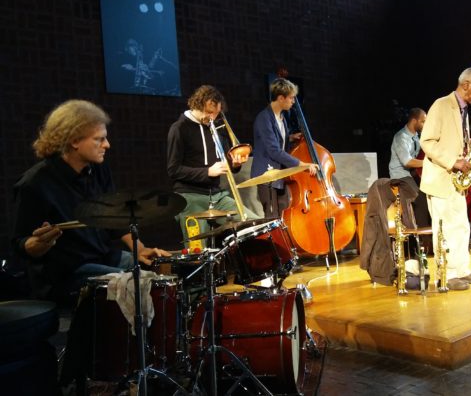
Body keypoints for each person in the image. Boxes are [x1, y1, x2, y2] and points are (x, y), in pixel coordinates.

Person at [10, 100, 170, 303]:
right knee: (136, 284)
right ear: (75, 141)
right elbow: (20, 244)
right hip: (66, 273)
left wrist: (140, 248)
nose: (107, 145)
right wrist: (40, 244)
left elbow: (116, 216)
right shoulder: (34, 184)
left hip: (103, 257)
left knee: (161, 268)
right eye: (99, 139)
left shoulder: (99, 170)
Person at [419, 67, 471, 291]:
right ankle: (446, 275)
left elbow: (453, 142)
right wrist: (453, 162)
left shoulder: (462, 109)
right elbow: (427, 142)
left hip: (456, 181)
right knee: (445, 230)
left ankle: (462, 270)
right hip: (440, 179)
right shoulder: (441, 105)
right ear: (466, 85)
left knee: (461, 226)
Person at [167, 85, 259, 242]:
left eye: (216, 114)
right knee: (198, 247)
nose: (212, 118)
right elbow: (173, 170)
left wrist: (235, 164)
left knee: (254, 224)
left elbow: (226, 164)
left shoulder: (215, 128)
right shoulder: (179, 128)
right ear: (197, 104)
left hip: (218, 196)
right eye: (209, 113)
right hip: (190, 197)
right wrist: (207, 172)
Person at [250, 77, 318, 218]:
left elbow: (278, 140)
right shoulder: (264, 118)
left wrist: (290, 138)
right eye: (291, 98)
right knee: (272, 218)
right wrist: (302, 165)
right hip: (267, 175)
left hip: (280, 174)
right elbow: (274, 150)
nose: (293, 101)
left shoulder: (282, 118)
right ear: (281, 98)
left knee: (283, 217)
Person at [388, 107, 430, 230]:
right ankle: (420, 235)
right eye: (423, 121)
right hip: (400, 176)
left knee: (429, 193)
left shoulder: (416, 136)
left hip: (411, 175)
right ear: (414, 121)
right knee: (420, 200)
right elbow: (407, 162)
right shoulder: (401, 137)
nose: (425, 124)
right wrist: (428, 163)